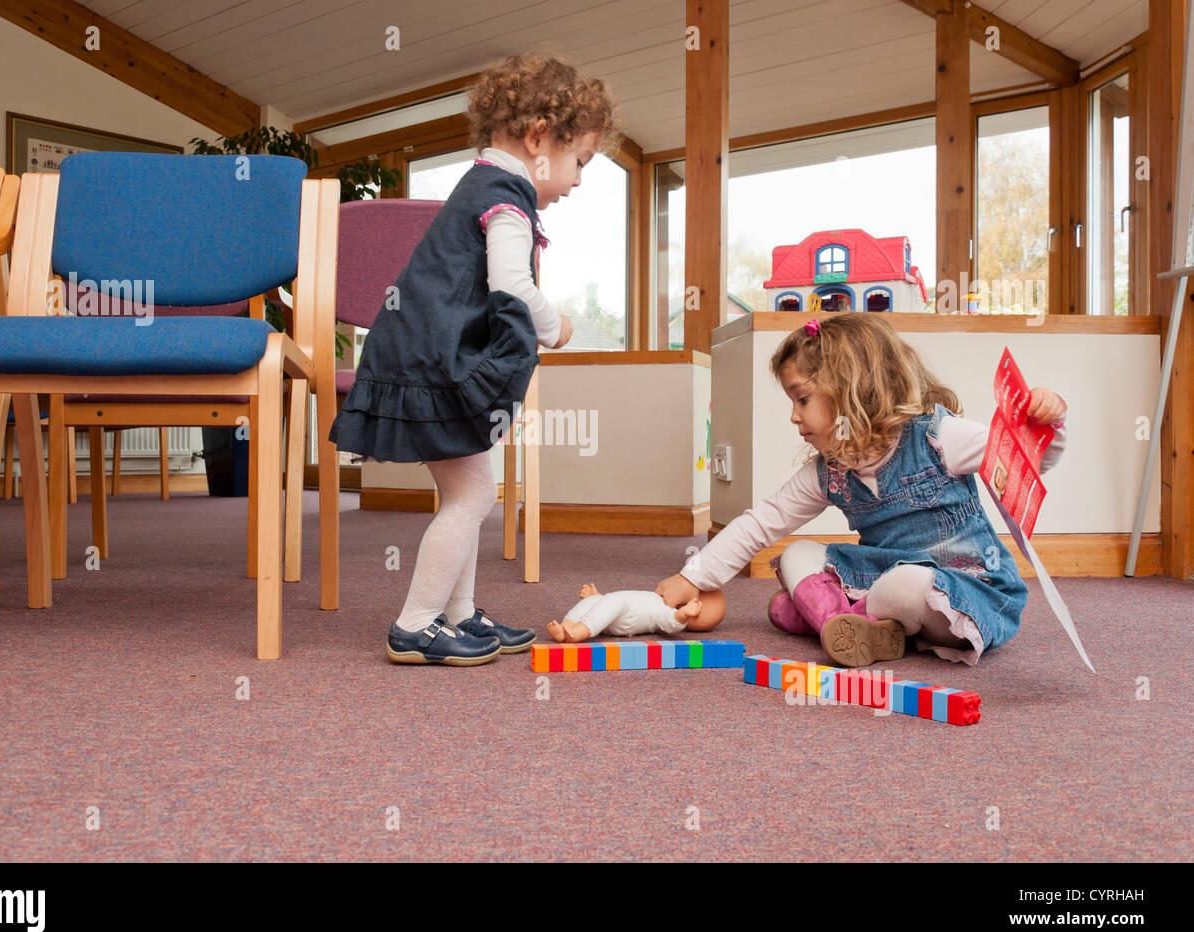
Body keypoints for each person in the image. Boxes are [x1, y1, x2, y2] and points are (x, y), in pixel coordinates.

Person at [329, 53, 618, 665]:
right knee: (473, 495)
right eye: (580, 162)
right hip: (429, 368)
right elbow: (512, 286)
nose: (578, 180)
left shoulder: (482, 185)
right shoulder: (506, 197)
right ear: (540, 138)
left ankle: (457, 614)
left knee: (472, 489)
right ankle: (415, 625)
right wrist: (557, 325)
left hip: (422, 361)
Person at [655, 312, 1069, 668]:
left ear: (853, 389)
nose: (794, 417)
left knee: (907, 584)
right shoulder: (830, 471)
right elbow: (760, 523)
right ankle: (855, 627)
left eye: (802, 399)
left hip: (965, 592)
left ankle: (834, 616)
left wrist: (1045, 424)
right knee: (800, 553)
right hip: (881, 577)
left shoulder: (939, 437)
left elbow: (1024, 466)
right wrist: (691, 576)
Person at [547, 583, 726, 642]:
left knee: (613, 601)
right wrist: (596, 597)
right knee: (594, 602)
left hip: (625, 617)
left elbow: (671, 623)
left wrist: (683, 615)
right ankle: (565, 627)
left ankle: (577, 633)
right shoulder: (655, 597)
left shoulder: (662, 610)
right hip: (611, 611)